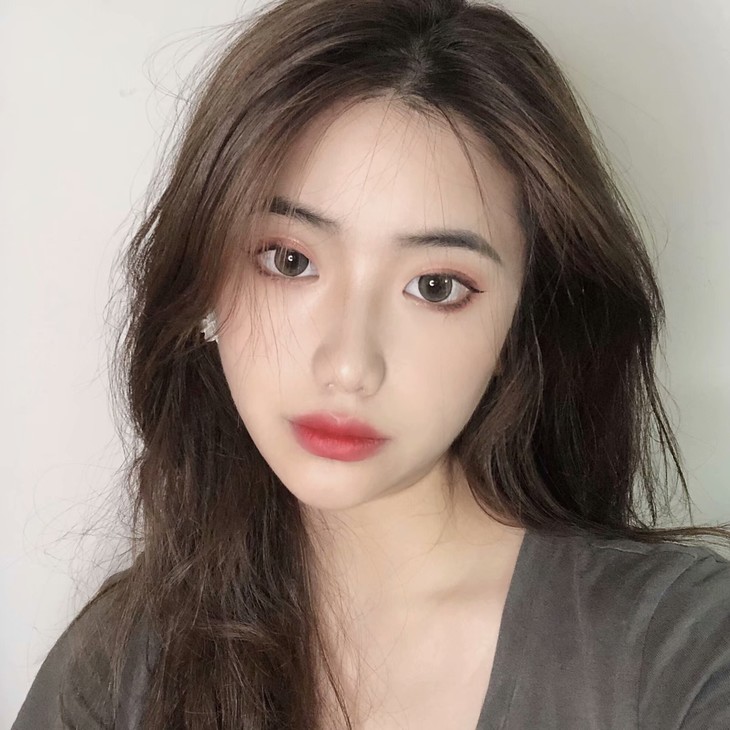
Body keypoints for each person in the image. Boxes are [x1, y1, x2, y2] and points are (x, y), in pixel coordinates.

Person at [12, 0, 730, 728]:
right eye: (289, 261)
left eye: (436, 286)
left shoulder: (683, 653)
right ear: (205, 279)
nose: (349, 366)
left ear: (519, 326)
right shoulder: (120, 668)